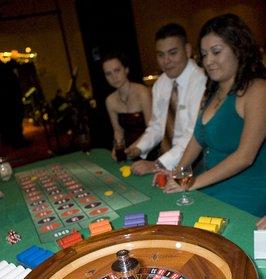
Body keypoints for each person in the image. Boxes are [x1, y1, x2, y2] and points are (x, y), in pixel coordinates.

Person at [164, 13, 266, 217]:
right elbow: (197, 140)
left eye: (216, 52)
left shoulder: (258, 90)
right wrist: (178, 174)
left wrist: (193, 183)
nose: (208, 60)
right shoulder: (213, 92)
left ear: (239, 50)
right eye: (204, 54)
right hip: (209, 185)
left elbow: (244, 157)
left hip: (246, 193)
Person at [125, 23, 206, 175]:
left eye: (172, 53)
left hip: (197, 164)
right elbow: (157, 126)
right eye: (160, 55)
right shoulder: (160, 84)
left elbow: (193, 136)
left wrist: (157, 165)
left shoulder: (202, 82)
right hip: (167, 160)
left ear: (187, 50)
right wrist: (138, 148)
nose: (166, 61)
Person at [102, 52, 152, 160]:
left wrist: (133, 149)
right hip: (128, 152)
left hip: (149, 149)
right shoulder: (110, 101)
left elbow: (151, 129)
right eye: (108, 74)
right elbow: (118, 130)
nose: (114, 77)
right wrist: (117, 147)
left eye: (117, 70)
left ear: (126, 70)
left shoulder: (142, 92)